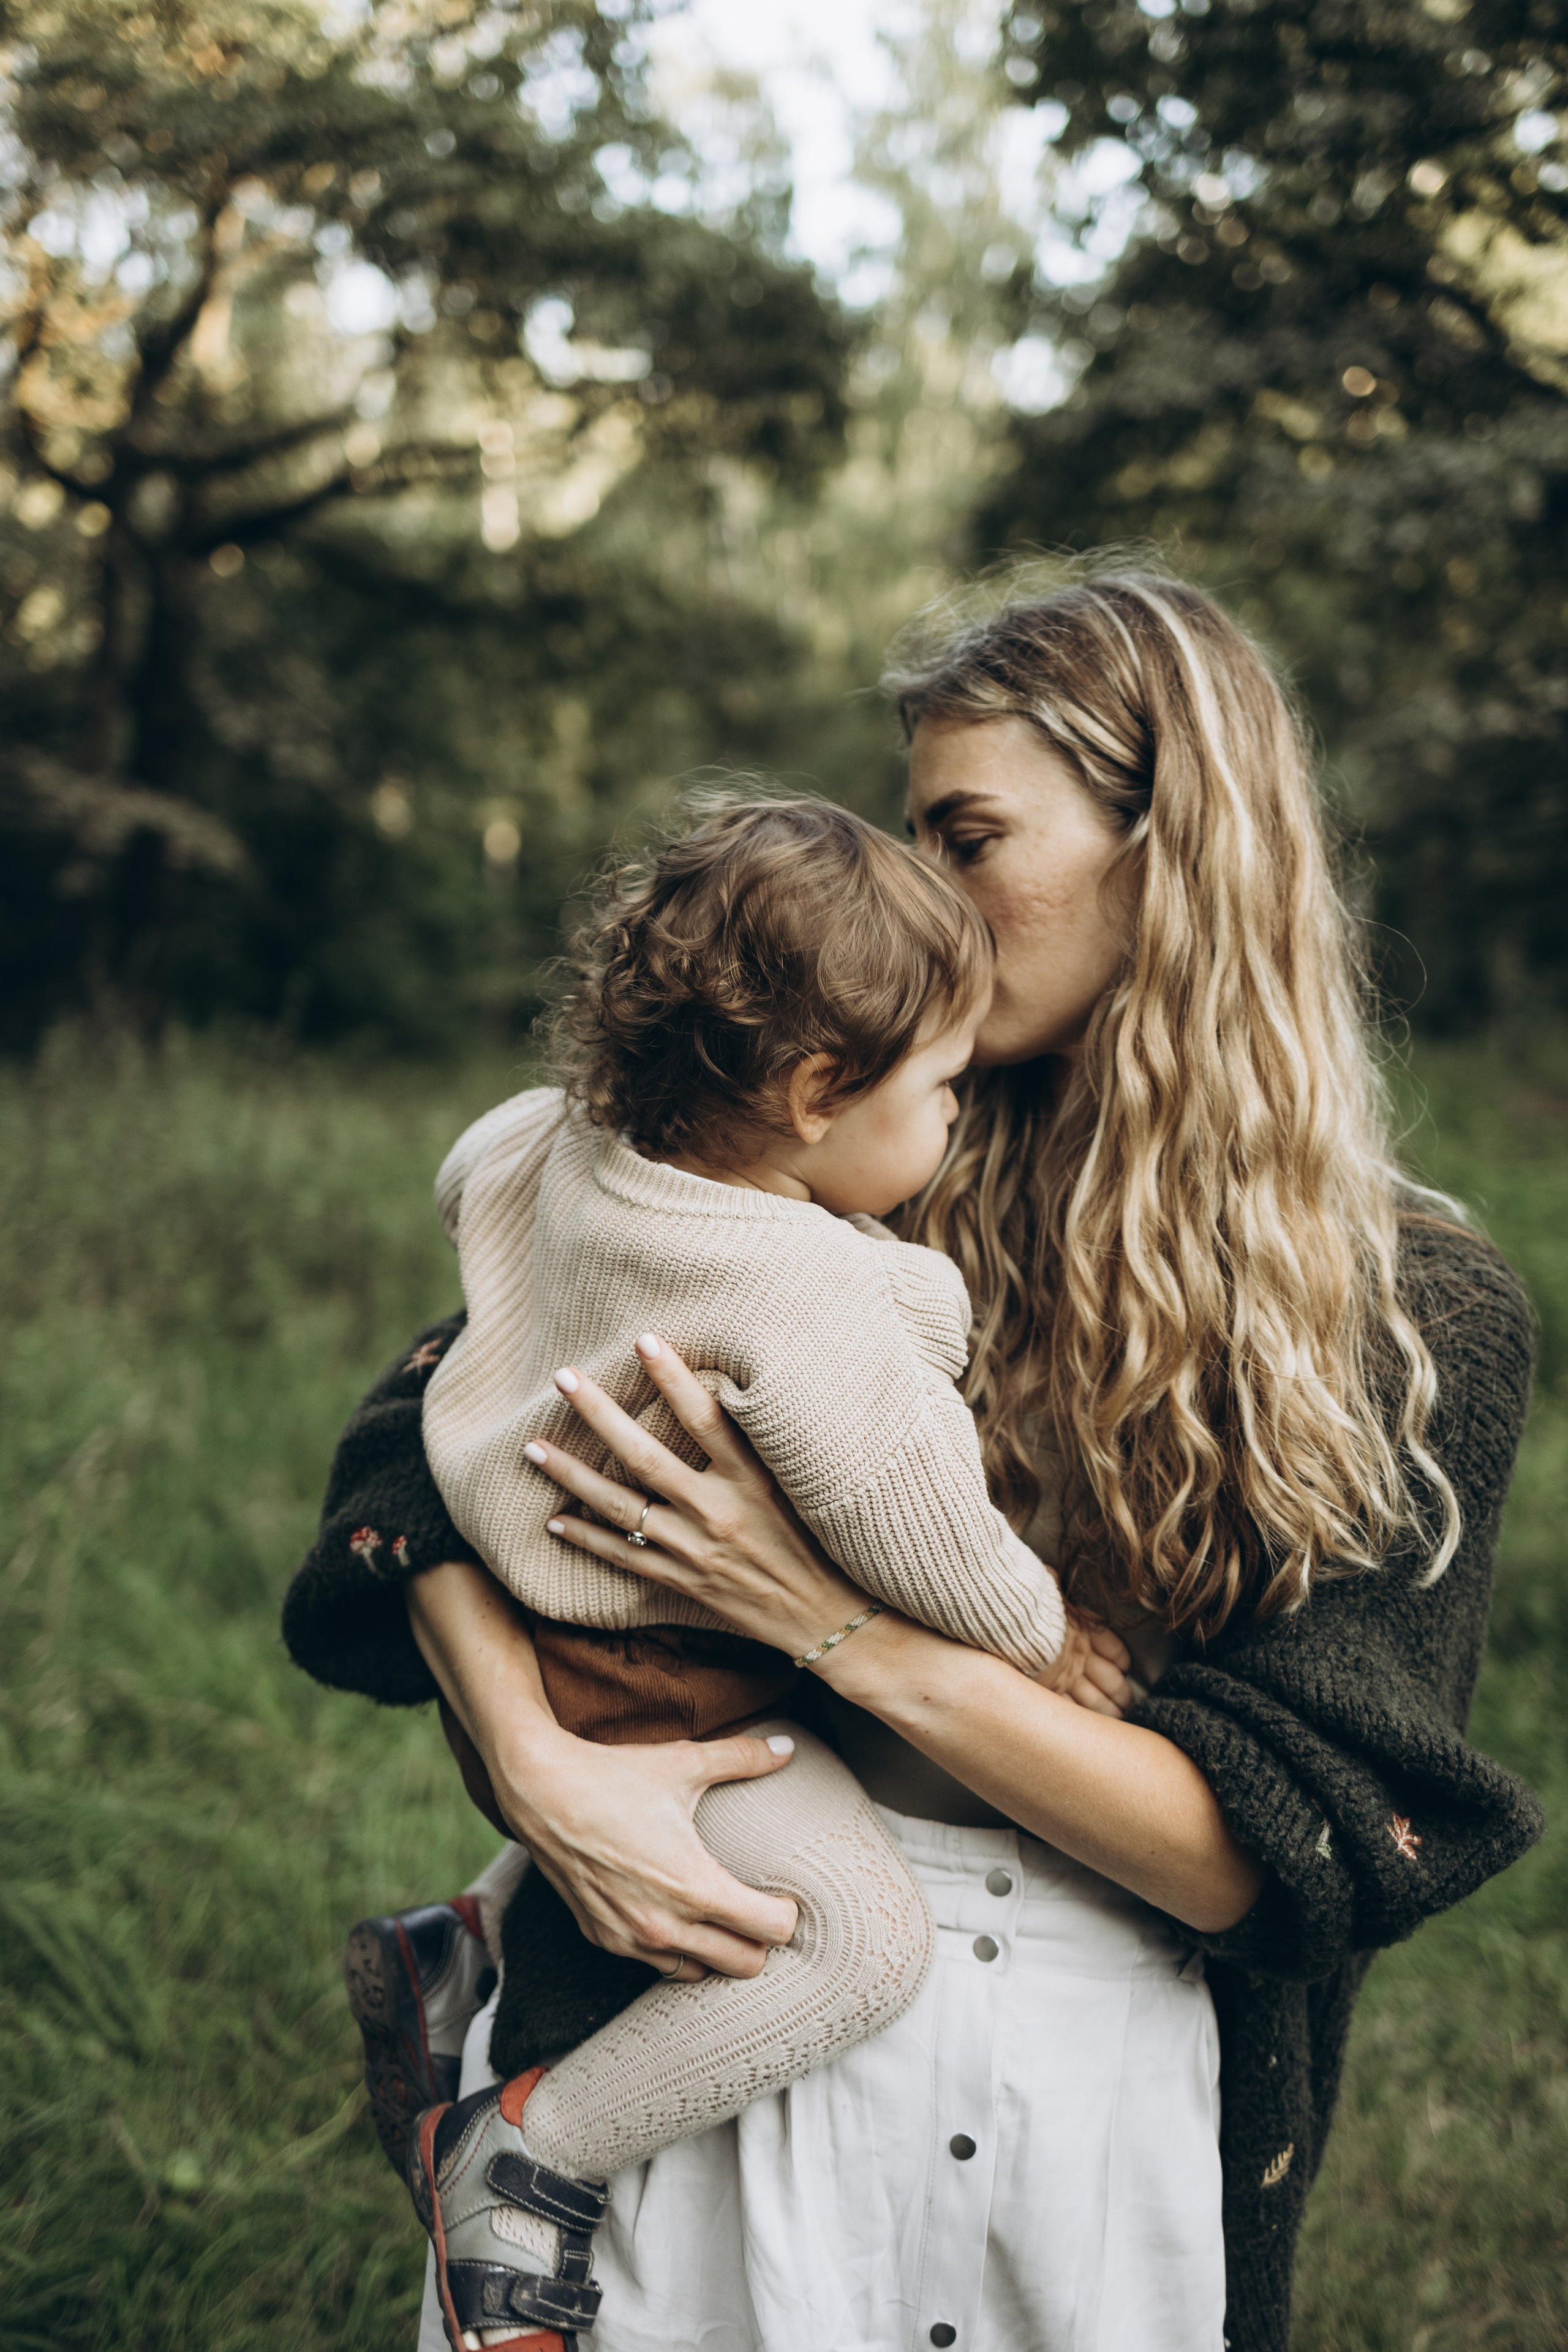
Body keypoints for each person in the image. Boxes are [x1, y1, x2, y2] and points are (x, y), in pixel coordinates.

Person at [284, 566, 1543, 2352]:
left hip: (1090, 2105)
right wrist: (538, 1758)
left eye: (970, 837)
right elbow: (424, 1444)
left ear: (1173, 845)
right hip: (697, 1991)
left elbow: (1274, 1859)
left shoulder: (1417, 1308)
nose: (919, 894)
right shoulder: (831, 1146)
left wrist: (830, 1623)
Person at [402, 794, 1115, 2348]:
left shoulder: (564, 1143)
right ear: (810, 1091)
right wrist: (1041, 1639)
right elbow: (924, 1537)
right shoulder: (815, 1307)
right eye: (935, 1087)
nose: (949, 1119)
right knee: (858, 1947)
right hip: (653, 1689)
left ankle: (452, 1959)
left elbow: (478, 1163)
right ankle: (525, 2158)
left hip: (530, 1637)